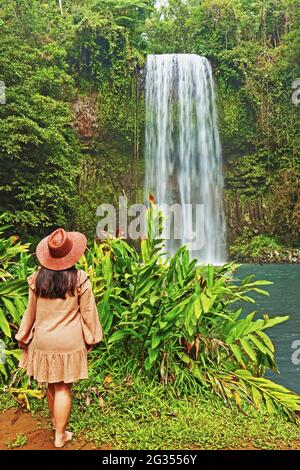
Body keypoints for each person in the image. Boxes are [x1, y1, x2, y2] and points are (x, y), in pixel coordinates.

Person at [15, 228, 103, 448]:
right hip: (69, 341)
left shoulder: (37, 279)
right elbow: (89, 312)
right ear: (71, 254)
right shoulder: (80, 279)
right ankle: (60, 435)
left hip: (42, 340)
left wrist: (23, 336)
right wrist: (92, 337)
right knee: (64, 387)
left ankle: (56, 424)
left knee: (51, 384)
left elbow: (30, 312)